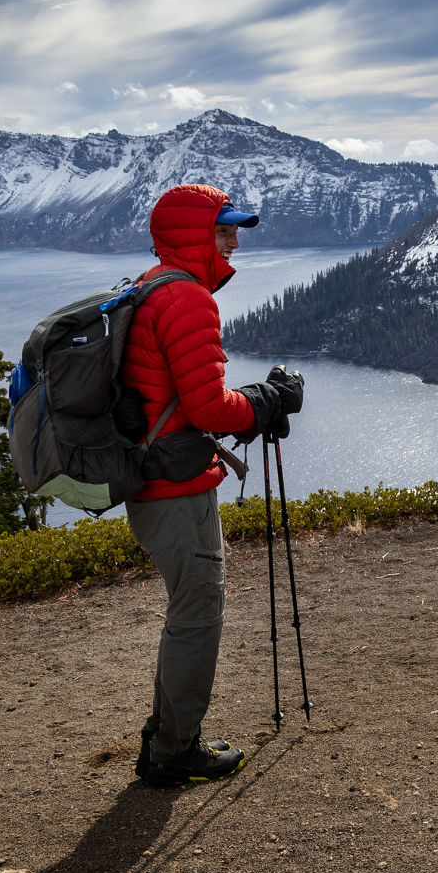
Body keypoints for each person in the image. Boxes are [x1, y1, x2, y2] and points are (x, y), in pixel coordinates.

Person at [122, 183, 302, 788]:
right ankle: (175, 750)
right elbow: (205, 408)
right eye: (223, 230)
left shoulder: (153, 285)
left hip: (154, 481)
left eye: (234, 231)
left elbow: (182, 398)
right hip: (177, 491)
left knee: (186, 612)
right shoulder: (188, 299)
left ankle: (166, 736)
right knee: (198, 614)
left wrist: (251, 400)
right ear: (192, 234)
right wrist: (265, 402)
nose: (232, 241)